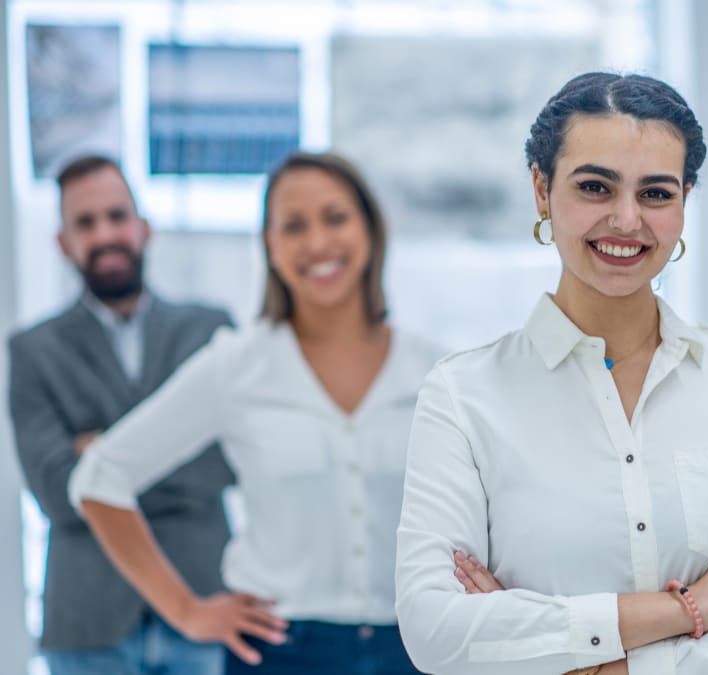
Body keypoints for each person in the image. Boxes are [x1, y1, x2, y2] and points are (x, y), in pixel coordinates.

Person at [394, 72, 708, 675]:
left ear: (684, 202)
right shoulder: (463, 395)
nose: (627, 220)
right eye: (595, 187)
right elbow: (436, 632)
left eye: (656, 194)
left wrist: (608, 666)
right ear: (541, 190)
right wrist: (693, 608)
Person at [67, 152, 444, 674]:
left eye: (335, 218)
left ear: (369, 228)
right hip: (280, 652)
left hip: (416, 650)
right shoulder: (236, 366)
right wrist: (187, 612)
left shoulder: (435, 371)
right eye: (293, 225)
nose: (317, 243)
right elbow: (99, 478)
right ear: (269, 245)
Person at [8, 155, 234, 675]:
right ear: (63, 242)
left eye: (116, 216)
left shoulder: (209, 331)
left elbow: (225, 464)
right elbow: (56, 492)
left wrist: (99, 454)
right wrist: (174, 446)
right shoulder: (32, 351)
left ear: (143, 227)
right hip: (88, 626)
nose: (105, 233)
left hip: (205, 605)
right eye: (85, 223)